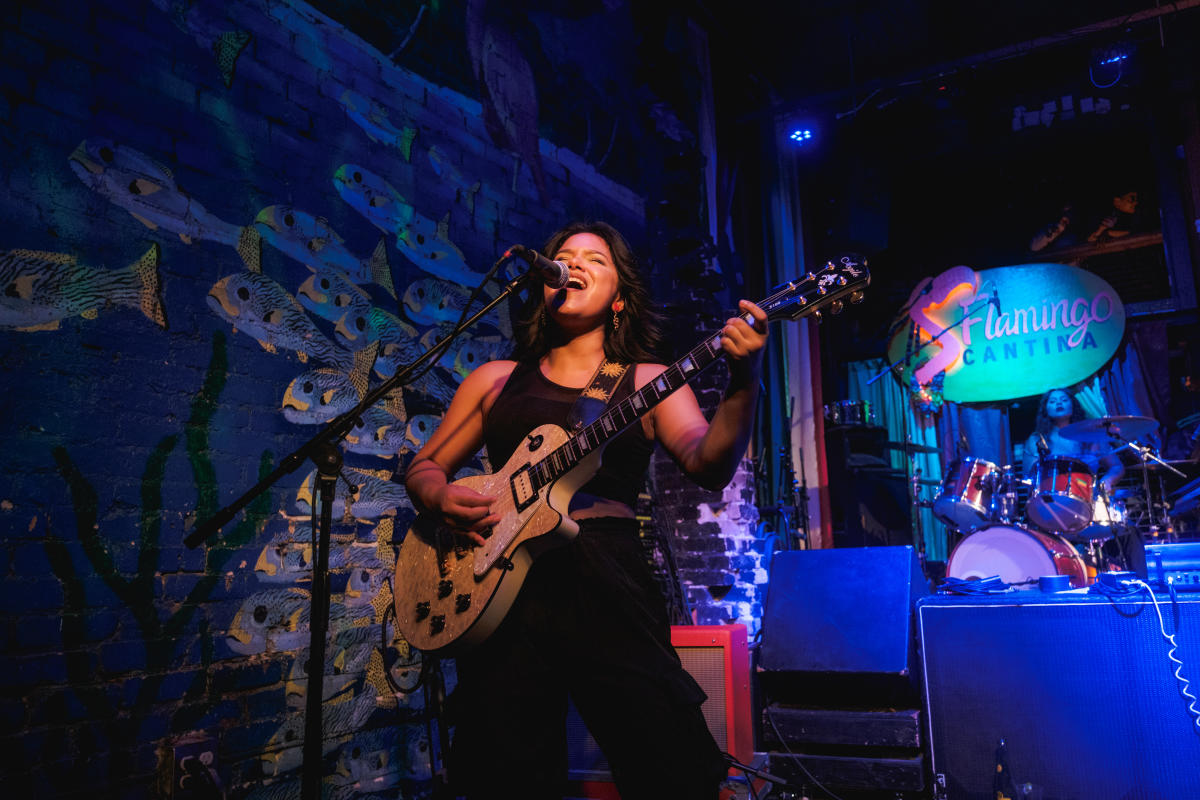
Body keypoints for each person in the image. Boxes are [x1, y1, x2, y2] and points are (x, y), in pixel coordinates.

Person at [403, 220, 768, 799]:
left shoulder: (650, 380)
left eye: (595, 260)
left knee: (667, 764)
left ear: (619, 298)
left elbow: (708, 463)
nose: (573, 264)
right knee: (508, 773)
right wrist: (438, 495)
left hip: (606, 576)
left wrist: (745, 378)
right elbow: (424, 467)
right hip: (499, 588)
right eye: (562, 257)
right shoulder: (495, 381)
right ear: (543, 285)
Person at [1022, 387, 1124, 495]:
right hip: (1051, 502)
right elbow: (1029, 478)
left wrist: (1106, 481)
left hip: (1089, 499)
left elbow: (1116, 466)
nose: (1059, 403)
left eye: (1064, 400)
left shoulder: (1092, 436)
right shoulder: (1037, 440)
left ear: (1073, 406)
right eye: (1052, 401)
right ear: (1045, 409)